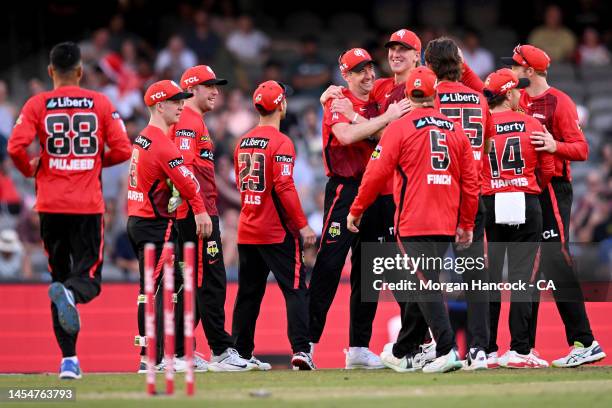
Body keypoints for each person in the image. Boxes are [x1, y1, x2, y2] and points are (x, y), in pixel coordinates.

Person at [7, 42, 131, 379]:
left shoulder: (37, 104)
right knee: (87, 280)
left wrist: (30, 168)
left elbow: (15, 146)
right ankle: (71, 295)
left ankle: (69, 360)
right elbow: (123, 149)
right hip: (87, 205)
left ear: (50, 72)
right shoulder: (101, 103)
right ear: (80, 71)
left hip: (49, 205)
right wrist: (94, 162)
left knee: (58, 278)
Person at [347, 67, 479, 373]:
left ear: (407, 94)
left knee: (423, 286)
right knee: (426, 283)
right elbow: (470, 182)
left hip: (413, 220)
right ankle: (403, 350)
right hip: (446, 222)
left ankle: (446, 350)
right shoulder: (456, 129)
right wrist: (467, 223)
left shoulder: (399, 128)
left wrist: (357, 208)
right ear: (435, 95)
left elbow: (375, 173)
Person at [500, 44, 606, 367]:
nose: (513, 72)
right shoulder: (518, 99)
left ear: (529, 71)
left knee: (556, 260)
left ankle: (585, 340)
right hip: (525, 191)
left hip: (552, 190)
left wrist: (553, 144)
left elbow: (582, 149)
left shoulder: (559, 102)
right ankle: (524, 348)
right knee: (528, 265)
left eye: (517, 67)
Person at [308, 48, 409, 369]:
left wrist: (374, 119)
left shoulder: (376, 96)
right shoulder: (337, 101)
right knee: (329, 265)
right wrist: (382, 119)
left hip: (377, 190)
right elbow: (347, 135)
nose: (368, 75)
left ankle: (358, 348)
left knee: (370, 272)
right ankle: (305, 344)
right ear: (345, 76)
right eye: (359, 71)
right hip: (345, 189)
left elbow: (387, 134)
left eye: (369, 69)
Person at [231, 80, 317, 370]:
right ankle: (301, 351)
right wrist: (303, 225)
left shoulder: (242, 141)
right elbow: (284, 186)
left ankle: (240, 353)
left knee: (248, 295)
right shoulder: (282, 142)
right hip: (276, 230)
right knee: (295, 290)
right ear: (281, 105)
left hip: (248, 228)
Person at [172, 65, 253, 372]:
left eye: (216, 86)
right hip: (198, 214)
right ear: (191, 89)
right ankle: (218, 349)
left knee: (198, 282)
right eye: (209, 86)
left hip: (200, 211)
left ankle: (182, 351)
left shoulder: (195, 121)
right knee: (210, 281)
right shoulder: (188, 122)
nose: (216, 91)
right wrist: (198, 209)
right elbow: (184, 169)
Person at [126, 80, 210, 373]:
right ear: (159, 106)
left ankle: (161, 354)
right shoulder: (163, 143)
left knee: (162, 285)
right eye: (176, 102)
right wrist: (201, 212)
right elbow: (190, 184)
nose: (181, 106)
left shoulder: (143, 137)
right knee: (155, 290)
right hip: (154, 224)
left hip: (139, 220)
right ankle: (153, 357)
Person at [481, 68, 555, 368]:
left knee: (490, 279)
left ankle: (485, 349)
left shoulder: (479, 127)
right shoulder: (531, 123)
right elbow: (548, 168)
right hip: (525, 200)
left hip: (489, 202)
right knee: (523, 280)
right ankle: (520, 350)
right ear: (509, 94)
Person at [425, 37, 491, 370]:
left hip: (438, 192)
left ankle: (433, 347)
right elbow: (489, 143)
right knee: (475, 275)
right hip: (473, 193)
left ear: (429, 66)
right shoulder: (479, 99)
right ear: (461, 64)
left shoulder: (429, 98)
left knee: (425, 273)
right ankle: (480, 349)